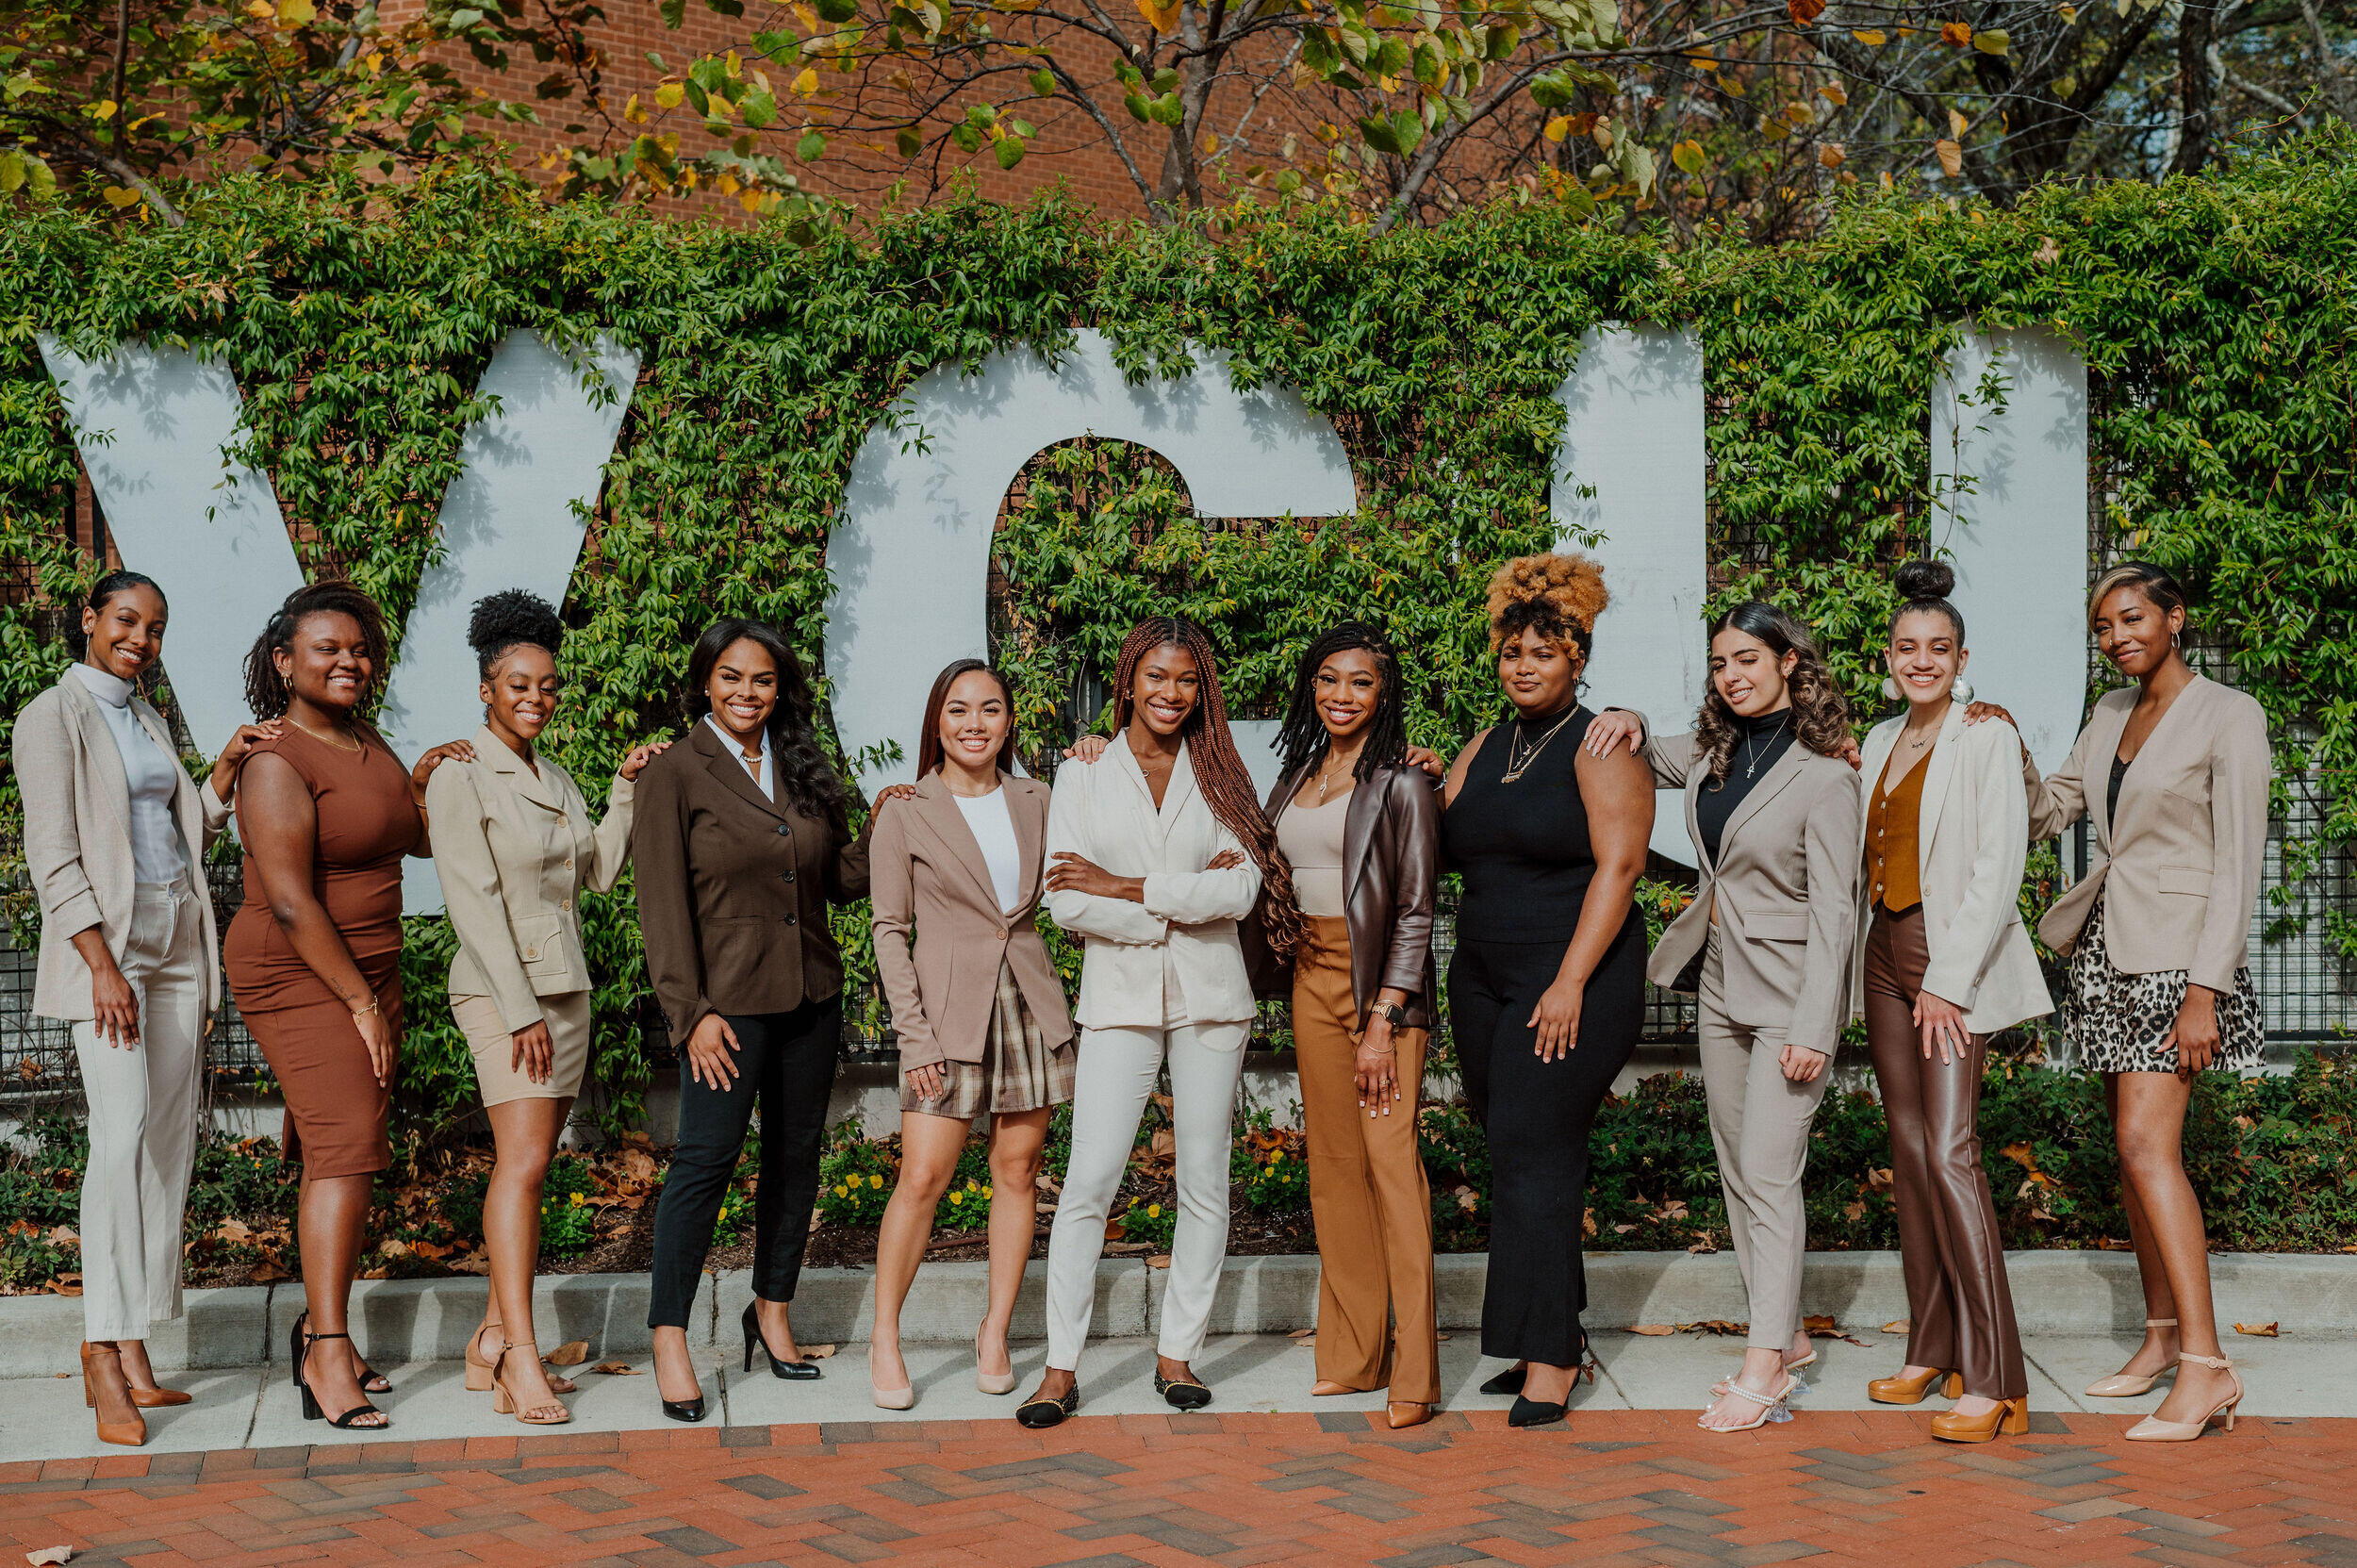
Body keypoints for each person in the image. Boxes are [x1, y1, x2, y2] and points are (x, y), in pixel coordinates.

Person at [1970, 561, 2268, 1443]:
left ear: (2176, 618)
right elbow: (2053, 807)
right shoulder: (2107, 714)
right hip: (2107, 952)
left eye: (2133, 619)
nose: (2118, 637)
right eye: (2104, 626)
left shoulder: (2230, 714)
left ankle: (2209, 1368)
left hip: (2181, 964)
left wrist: (2205, 992)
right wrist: (2007, 747)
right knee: (2130, 1154)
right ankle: (2162, 1337)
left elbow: (2239, 861)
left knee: (2149, 1149)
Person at [1015, 616, 1300, 1428]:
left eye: (1185, 679)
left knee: (1203, 1179)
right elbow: (1063, 896)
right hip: (1120, 1000)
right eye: (1156, 677)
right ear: (1129, 678)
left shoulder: (1218, 772)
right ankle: (1060, 1366)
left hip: (1213, 999)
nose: (1170, 693)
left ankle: (1178, 1352)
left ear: (1199, 686)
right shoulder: (1084, 773)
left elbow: (1241, 891)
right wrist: (1173, 899)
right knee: (1088, 1182)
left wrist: (1125, 886)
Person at [15, 571, 279, 1446]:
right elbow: (54, 859)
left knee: (166, 1143)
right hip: (112, 960)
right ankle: (98, 1347)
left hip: (175, 949)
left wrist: (228, 771)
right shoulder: (51, 718)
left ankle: (134, 1341)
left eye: (155, 627)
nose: (141, 638)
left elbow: (179, 831)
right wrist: (100, 964)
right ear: (89, 619)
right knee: (119, 1137)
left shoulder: (146, 716)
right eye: (126, 620)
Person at [1586, 600, 1861, 1433]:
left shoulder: (1828, 774)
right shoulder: (1713, 748)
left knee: (1773, 1174)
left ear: (1788, 662)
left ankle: (1764, 1359)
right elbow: (1639, 752)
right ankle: (1786, 1338)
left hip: (1790, 997)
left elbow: (1838, 913)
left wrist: (1817, 1027)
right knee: (1740, 1167)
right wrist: (1626, 714)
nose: (1733, 676)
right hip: (1719, 987)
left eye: (1748, 659)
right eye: (1719, 663)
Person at [223, 581, 468, 1430]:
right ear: (284, 661)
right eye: (326, 648)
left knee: (345, 1144)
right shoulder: (275, 759)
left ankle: (319, 1328)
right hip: (301, 970)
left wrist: (429, 778)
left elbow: (411, 836)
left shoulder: (365, 740)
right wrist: (361, 1003)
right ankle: (326, 1348)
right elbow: (290, 901)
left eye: (358, 647)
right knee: (345, 1148)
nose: (347, 660)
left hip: (369, 967)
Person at [422, 590, 668, 1427]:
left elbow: (596, 872)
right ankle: (521, 1357)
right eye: (518, 684)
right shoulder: (461, 774)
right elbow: (473, 901)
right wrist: (520, 1006)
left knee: (532, 1167)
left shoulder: (552, 774)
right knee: (520, 1166)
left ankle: (492, 1336)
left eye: (549, 685)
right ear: (487, 688)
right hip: (504, 994)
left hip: (566, 989)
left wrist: (624, 787)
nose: (537, 698)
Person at [633, 618, 887, 1423]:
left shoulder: (802, 763)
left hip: (811, 995)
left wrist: (895, 817)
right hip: (726, 1010)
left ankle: (771, 1311)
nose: (748, 692)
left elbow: (838, 879)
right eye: (733, 677)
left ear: (782, 689)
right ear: (706, 680)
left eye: (764, 680)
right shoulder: (673, 771)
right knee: (705, 1162)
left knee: (796, 1158)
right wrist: (690, 1013)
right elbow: (662, 907)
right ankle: (669, 1335)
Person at [1438, 556, 1653, 1429]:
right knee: (1515, 1148)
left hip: (1570, 975)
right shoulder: (1488, 744)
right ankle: (1546, 1331)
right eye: (1512, 653)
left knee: (1535, 1145)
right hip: (1484, 974)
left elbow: (1624, 864)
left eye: (1544, 652)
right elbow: (1447, 827)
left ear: (1578, 658)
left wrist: (1569, 980)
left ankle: (1553, 1359)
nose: (1524, 666)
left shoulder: (1602, 743)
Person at [1849, 562, 2052, 1444]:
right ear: (1888, 657)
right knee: (1908, 1146)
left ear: (1962, 656)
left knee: (1953, 1151)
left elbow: (1998, 868)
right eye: (1906, 647)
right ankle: (1933, 1343)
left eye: (1937, 648)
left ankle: (1997, 1372)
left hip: (1944, 958)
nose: (1920, 661)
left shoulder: (1986, 736)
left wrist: (1949, 980)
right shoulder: (1879, 736)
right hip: (1883, 953)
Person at [865, 660, 1077, 1410]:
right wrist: (913, 1038)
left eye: (990, 708)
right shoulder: (904, 808)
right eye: (958, 710)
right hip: (946, 1017)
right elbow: (889, 930)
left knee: (1017, 1173)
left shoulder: (1039, 797)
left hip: (1028, 1002)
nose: (975, 722)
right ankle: (885, 1337)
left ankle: (995, 1331)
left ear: (1010, 721)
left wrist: (1090, 756)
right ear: (938, 720)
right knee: (921, 1177)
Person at [1258, 621, 1443, 1429]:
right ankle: (1352, 1353)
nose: (1342, 695)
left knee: (1390, 1166)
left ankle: (1417, 1370)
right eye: (1329, 679)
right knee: (1333, 1166)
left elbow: (1415, 908)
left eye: (1360, 682)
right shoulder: (1298, 771)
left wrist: (1384, 1017)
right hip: (1310, 974)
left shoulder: (1403, 781)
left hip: (1380, 994)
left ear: (1384, 692)